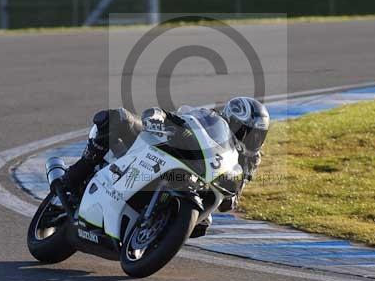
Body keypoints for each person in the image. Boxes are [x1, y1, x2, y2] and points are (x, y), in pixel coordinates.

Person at [48, 97, 270, 236]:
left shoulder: (248, 161)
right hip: (163, 148)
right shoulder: (211, 119)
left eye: (257, 135)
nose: (250, 139)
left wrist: (231, 195)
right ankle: (72, 177)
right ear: (231, 120)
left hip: (193, 181)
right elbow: (183, 117)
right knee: (118, 118)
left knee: (202, 225)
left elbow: (231, 199)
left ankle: (156, 228)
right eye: (246, 131)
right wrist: (159, 116)